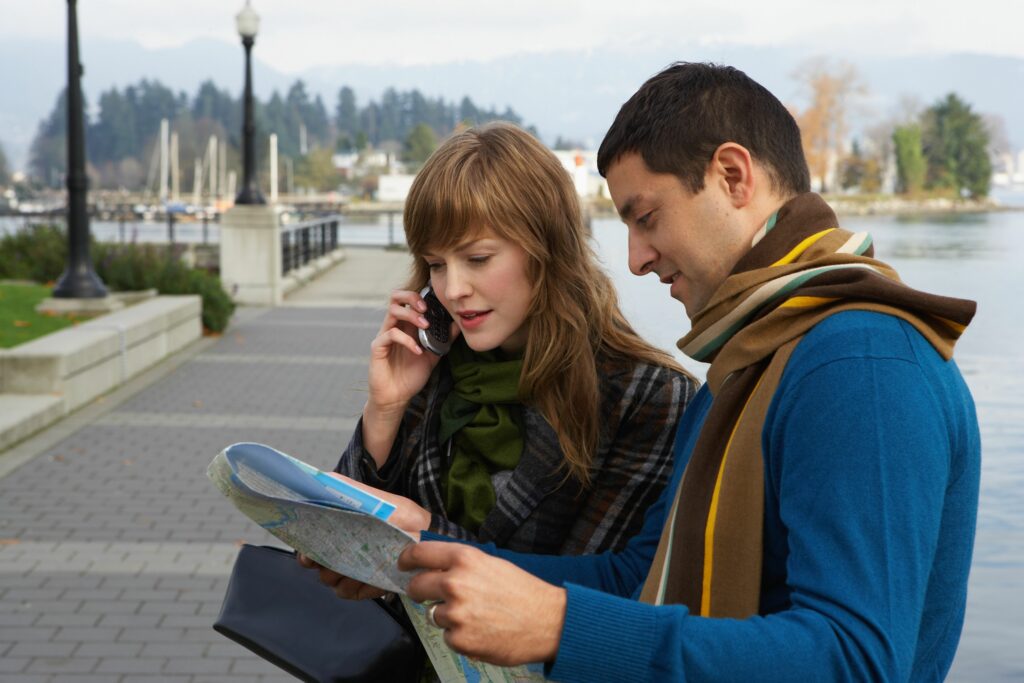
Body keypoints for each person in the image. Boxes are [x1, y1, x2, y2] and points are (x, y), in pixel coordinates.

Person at [396, 63, 981, 682]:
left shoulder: (861, 364)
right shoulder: (749, 359)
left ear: (733, 175)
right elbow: (642, 578)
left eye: (646, 218)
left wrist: (562, 627)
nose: (636, 258)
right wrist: (432, 552)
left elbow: (855, 661)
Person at [303, 122, 697, 600]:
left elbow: (596, 594)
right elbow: (339, 541)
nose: (453, 290)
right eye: (437, 263)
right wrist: (384, 409)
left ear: (545, 249)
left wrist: (426, 536)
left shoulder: (645, 394)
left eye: (478, 258)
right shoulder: (433, 366)